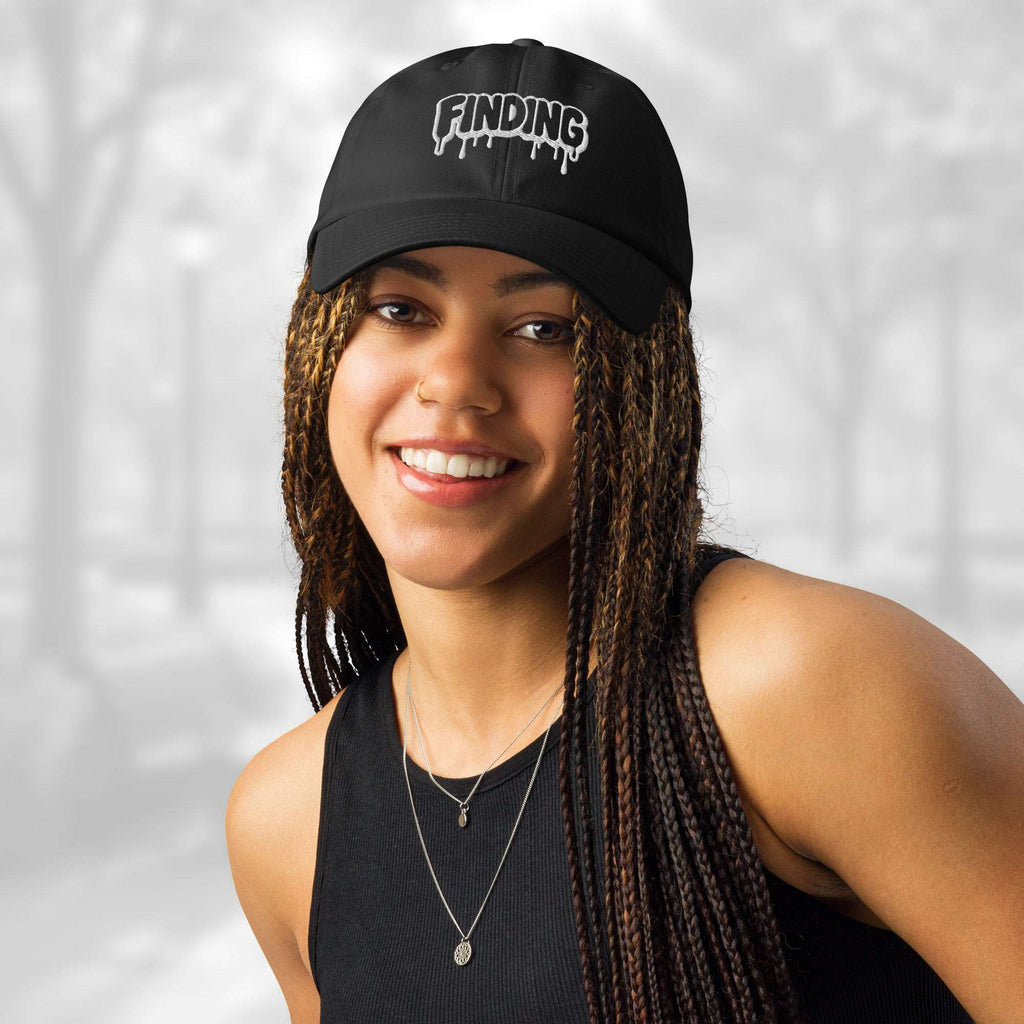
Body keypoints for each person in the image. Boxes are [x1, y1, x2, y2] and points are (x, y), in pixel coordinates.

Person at [225, 40, 1023, 1024]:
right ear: (319, 350)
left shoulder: (803, 684)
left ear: (644, 386)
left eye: (544, 328)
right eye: (400, 308)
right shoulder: (285, 820)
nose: (455, 381)